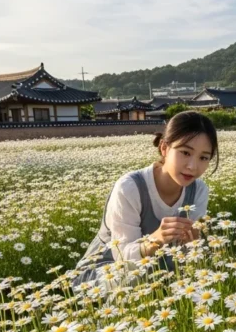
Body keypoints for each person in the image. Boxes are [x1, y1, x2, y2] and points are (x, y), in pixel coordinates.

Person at [72, 110, 217, 288]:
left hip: (159, 268)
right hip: (105, 272)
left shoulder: (198, 190)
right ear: (164, 148)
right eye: (185, 153)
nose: (193, 166)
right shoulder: (130, 187)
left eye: (204, 157)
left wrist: (194, 244)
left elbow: (191, 253)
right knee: (137, 281)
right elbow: (122, 259)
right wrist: (154, 240)